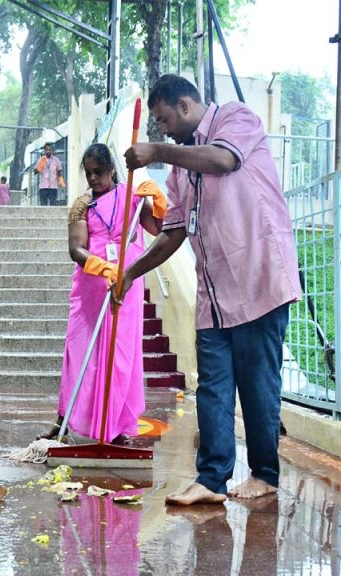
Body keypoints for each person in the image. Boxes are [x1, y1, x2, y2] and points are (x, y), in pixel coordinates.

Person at [120, 74, 301, 505]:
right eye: (159, 128)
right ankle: (211, 479)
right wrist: (132, 271)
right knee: (214, 386)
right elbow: (174, 231)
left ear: (184, 106)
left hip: (259, 279)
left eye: (164, 120)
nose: (163, 130)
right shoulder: (182, 172)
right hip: (215, 294)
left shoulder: (236, 119)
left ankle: (264, 475)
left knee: (258, 385)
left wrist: (159, 152)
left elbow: (222, 161)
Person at [38, 143, 164, 443]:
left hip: (126, 284)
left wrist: (158, 202)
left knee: (121, 355)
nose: (94, 178)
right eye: (89, 173)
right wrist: (102, 267)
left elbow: (159, 229)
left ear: (111, 170)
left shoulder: (131, 196)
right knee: (80, 352)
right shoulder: (82, 205)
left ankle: (117, 427)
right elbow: (75, 249)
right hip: (92, 288)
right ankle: (63, 421)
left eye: (99, 172)